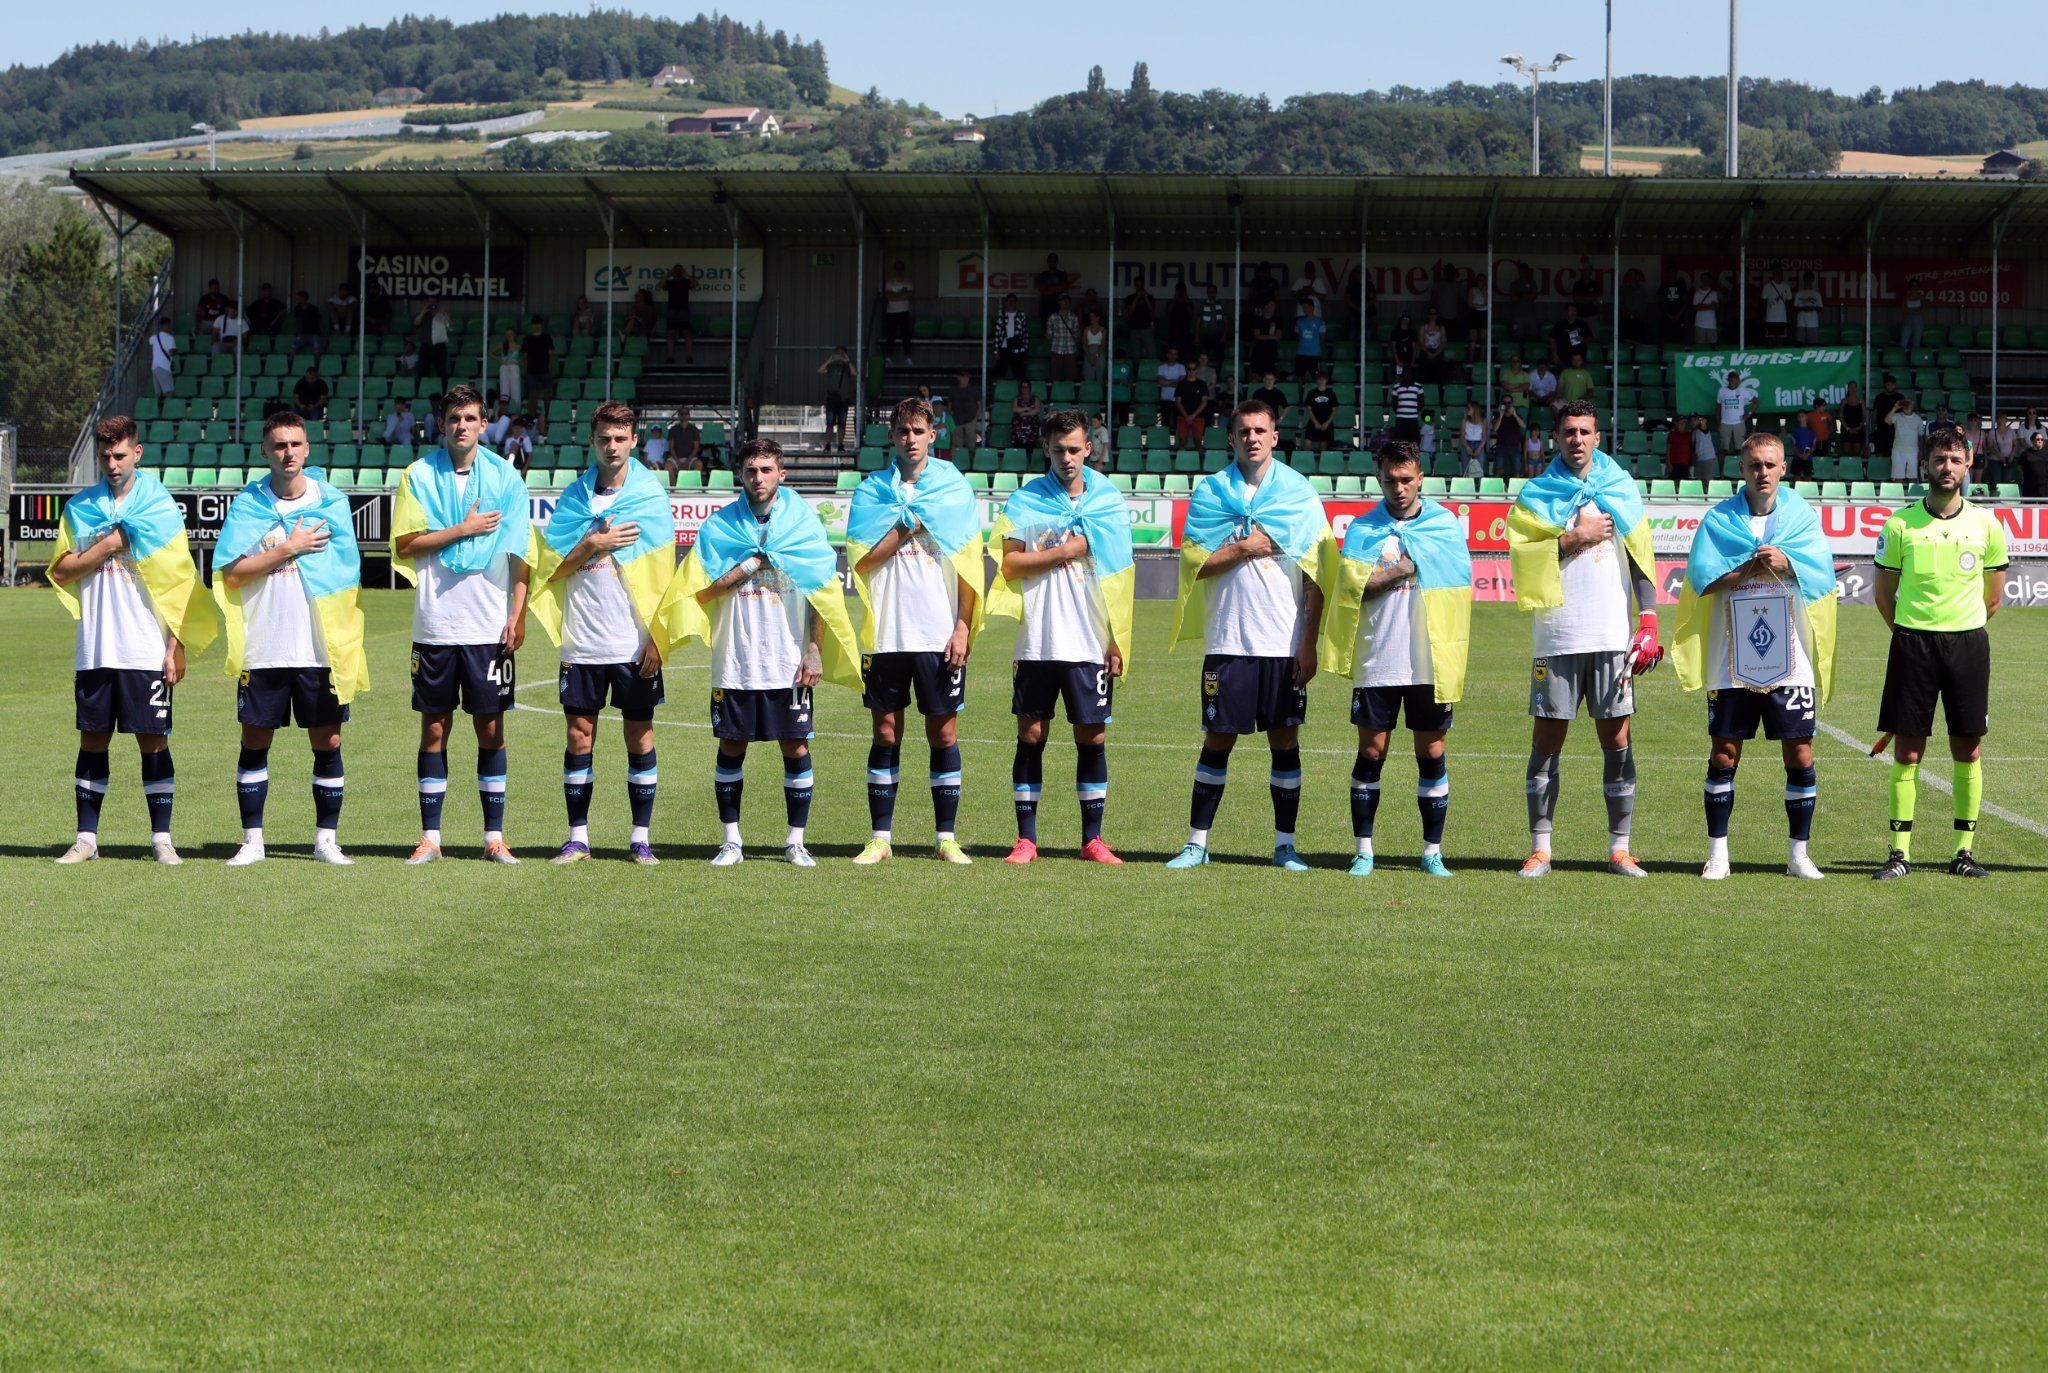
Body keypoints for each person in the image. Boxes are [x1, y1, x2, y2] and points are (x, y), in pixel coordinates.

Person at [661, 437, 862, 867]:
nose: (759, 478)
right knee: (732, 746)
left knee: (796, 746)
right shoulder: (719, 528)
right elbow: (701, 592)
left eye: (766, 470)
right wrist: (749, 566)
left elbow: (821, 593)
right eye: (751, 470)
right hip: (736, 661)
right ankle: (731, 841)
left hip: (787, 661)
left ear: (782, 474)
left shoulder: (802, 525)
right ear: (741, 475)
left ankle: (795, 841)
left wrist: (813, 649)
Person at [1164, 399, 1337, 871]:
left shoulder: (1299, 494)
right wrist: (1245, 546)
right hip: (1229, 642)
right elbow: (1194, 566)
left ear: (1275, 437)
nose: (1253, 438)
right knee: (1217, 739)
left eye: (1261, 430)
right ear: (1232, 438)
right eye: (1244, 432)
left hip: (1283, 643)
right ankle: (1197, 843)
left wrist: (1309, 642)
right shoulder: (1211, 492)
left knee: (1285, 742)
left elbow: (1318, 574)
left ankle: (1285, 844)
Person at [46, 415, 218, 865]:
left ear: (137, 453)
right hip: (97, 647)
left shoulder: (160, 508)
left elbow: (182, 582)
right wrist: (106, 545)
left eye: (120, 454)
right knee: (92, 739)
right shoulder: (81, 508)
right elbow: (60, 570)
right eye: (104, 455)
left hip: (145, 648)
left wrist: (176, 645)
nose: (112, 463)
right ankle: (87, 839)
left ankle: (161, 838)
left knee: (154, 740)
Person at [1507, 400, 1664, 879]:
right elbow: (1521, 560)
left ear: (1599, 438)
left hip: (1611, 634)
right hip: (1557, 634)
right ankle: (1541, 848)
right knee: (1547, 739)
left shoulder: (1620, 490)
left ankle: (1620, 848)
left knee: (1617, 738)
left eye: (1585, 431)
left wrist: (1651, 619)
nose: (1577, 439)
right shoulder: (1537, 494)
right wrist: (1574, 537)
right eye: (1569, 431)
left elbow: (1640, 558)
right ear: (1557, 438)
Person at [1672, 433, 1838, 881]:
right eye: (1754, 464)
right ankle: (1718, 854)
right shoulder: (1719, 520)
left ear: (1784, 468)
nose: (1762, 472)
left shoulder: (1801, 518)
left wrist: (1789, 566)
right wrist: (1747, 568)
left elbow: (1824, 576)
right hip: (1733, 657)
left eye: (1770, 464)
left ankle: (1799, 855)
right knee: (1725, 753)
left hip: (1791, 656)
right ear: (1740, 468)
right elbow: (1702, 580)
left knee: (1800, 752)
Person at [212, 410, 369, 867]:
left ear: (307, 448)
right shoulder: (249, 505)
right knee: (255, 739)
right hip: (265, 644)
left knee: (329, 741)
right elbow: (232, 573)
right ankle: (253, 841)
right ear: (264, 451)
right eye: (278, 445)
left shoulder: (332, 502)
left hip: (320, 647)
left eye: (295, 444)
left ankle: (325, 841)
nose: (288, 453)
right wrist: (287, 549)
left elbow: (348, 571)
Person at [390, 383, 535, 866]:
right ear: (442, 424)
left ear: (483, 423)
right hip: (434, 626)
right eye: (454, 418)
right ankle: (430, 837)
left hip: (488, 626)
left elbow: (521, 553)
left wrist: (517, 613)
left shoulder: (505, 478)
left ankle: (494, 837)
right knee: (434, 729)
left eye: (471, 418)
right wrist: (463, 529)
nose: (461, 426)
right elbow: (406, 543)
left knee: (490, 729)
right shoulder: (418, 475)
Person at [527, 402, 678, 866]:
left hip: (633, 640)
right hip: (584, 639)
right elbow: (550, 571)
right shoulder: (573, 499)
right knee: (578, 735)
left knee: (641, 736)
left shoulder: (651, 497)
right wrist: (591, 544)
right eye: (603, 438)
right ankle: (577, 838)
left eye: (620, 438)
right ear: (591, 442)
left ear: (634, 440)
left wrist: (657, 636)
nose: (611, 447)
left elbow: (666, 573)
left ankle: (640, 838)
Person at [984, 409, 1134, 865]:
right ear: (1045, 450)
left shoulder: (1108, 504)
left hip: (1090, 640)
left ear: (1090, 448)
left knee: (1092, 738)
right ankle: (1026, 839)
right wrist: (1066, 550)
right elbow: (1009, 565)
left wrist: (1115, 639)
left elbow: (1120, 576)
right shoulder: (1026, 502)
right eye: (1058, 450)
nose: (1067, 458)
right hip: (1038, 639)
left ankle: (1093, 839)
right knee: (1031, 735)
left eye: (1074, 449)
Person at [1317, 440, 1472, 878]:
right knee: (1371, 750)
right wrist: (1401, 570)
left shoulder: (1443, 526)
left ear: (1420, 477)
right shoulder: (1364, 529)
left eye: (1407, 480)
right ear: (1379, 479)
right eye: (1390, 480)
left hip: (1429, 658)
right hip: (1378, 656)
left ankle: (1431, 851)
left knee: (1433, 750)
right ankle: (1364, 851)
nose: (1399, 488)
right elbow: (1353, 589)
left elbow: (1460, 584)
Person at [845, 397, 985, 865]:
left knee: (943, 733)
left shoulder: (953, 490)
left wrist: (963, 626)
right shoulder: (871, 493)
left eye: (918, 431)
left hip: (937, 632)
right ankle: (880, 838)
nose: (910, 439)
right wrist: (907, 526)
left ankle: (946, 837)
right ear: (892, 437)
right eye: (903, 431)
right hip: (885, 634)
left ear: (933, 435)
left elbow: (970, 567)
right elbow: (860, 562)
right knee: (885, 732)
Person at [1872, 429, 2006, 880]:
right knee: (1908, 752)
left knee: (1968, 750)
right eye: (1938, 459)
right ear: (1924, 464)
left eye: (1954, 459)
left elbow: (1992, 599)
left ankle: (1963, 852)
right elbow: (1884, 595)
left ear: (1968, 465)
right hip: (1913, 643)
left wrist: (1956, 628)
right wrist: (1913, 632)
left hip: (1967, 644)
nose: (1946, 467)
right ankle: (1899, 854)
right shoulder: (1899, 525)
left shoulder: (1986, 525)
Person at [819, 345, 855, 451]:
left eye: (842, 354)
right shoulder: (831, 366)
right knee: (830, 423)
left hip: (843, 399)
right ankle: (828, 445)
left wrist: (847, 361)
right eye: (838, 354)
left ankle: (840, 445)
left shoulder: (848, 367)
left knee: (842, 424)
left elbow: (854, 373)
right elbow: (820, 370)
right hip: (831, 398)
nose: (840, 356)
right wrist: (831, 359)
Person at [1889, 396, 1928, 482]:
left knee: (1913, 478)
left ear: (1913, 405)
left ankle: (1911, 495)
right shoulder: (1897, 416)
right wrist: (1895, 408)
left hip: (1913, 451)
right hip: (1898, 450)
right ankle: (1898, 496)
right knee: (1898, 479)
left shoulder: (1918, 419)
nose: (1907, 406)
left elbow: (1921, 436)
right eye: (1905, 403)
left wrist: (1921, 451)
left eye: (1909, 403)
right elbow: (1887, 421)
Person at [663, 262, 695, 364]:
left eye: (679, 270)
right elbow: (660, 285)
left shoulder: (686, 281)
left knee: (687, 333)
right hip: (672, 310)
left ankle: (689, 356)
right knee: (671, 333)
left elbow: (695, 284)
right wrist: (668, 275)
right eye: (676, 270)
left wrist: (686, 274)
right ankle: (670, 357)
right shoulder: (670, 282)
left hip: (683, 310)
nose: (678, 272)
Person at [883, 260, 914, 365]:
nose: (899, 271)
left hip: (904, 312)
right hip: (891, 312)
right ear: (895, 270)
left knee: (906, 336)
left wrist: (895, 295)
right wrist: (902, 294)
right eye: (897, 268)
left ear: (903, 270)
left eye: (901, 268)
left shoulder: (908, 282)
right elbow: (888, 297)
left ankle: (908, 358)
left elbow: (909, 295)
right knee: (890, 336)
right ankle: (888, 358)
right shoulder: (889, 283)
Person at [1714, 370, 1751, 457]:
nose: (1732, 381)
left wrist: (1748, 414)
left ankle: (1739, 469)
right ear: (1728, 380)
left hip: (1739, 423)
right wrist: (1718, 422)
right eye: (1731, 379)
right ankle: (1722, 470)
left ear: (1738, 380)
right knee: (1723, 449)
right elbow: (1718, 406)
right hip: (1725, 423)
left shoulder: (1743, 391)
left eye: (1735, 379)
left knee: (1740, 449)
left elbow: (1756, 401)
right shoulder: (1721, 391)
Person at [992, 294, 1029, 381]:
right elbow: (997, 334)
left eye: (1013, 301)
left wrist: (1025, 348)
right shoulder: (1001, 316)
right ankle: (998, 391)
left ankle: (1020, 393)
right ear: (1006, 303)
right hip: (1004, 347)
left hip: (1017, 348)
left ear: (1016, 302)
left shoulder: (1021, 315)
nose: (1011, 303)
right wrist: (996, 350)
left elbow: (1025, 333)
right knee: (999, 373)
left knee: (1019, 374)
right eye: (1009, 301)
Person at [1175, 364, 1211, 451]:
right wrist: (1186, 416)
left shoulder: (1202, 384)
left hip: (1198, 417)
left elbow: (1204, 402)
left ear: (1196, 370)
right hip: (1183, 417)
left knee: (1198, 441)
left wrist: (1193, 415)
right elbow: (1178, 401)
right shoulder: (1181, 384)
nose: (1191, 371)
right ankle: (1180, 463)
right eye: (1189, 369)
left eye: (1193, 369)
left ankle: (1200, 463)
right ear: (1186, 370)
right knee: (1182, 441)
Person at [520, 315, 555, 406]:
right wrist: (527, 366)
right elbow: (525, 354)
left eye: (538, 324)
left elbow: (551, 353)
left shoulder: (547, 337)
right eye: (534, 324)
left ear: (541, 325)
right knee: (532, 393)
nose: (536, 326)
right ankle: (533, 413)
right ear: (532, 325)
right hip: (531, 369)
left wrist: (549, 366)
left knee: (547, 392)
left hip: (544, 368)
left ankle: (547, 411)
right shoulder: (527, 338)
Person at [414, 298, 451, 382]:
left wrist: (443, 312)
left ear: (438, 303)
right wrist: (423, 311)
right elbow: (416, 323)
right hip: (426, 346)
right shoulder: (424, 316)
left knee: (441, 371)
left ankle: (443, 391)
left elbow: (451, 325)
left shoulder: (442, 315)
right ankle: (423, 390)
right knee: (423, 370)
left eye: (434, 302)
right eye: (430, 302)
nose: (432, 304)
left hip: (439, 347)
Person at [1303, 371, 1341, 454]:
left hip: (1326, 422)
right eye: (1319, 380)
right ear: (1316, 381)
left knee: (1324, 448)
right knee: (1307, 445)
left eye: (1322, 380)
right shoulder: (1312, 393)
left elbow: (1334, 410)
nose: (1321, 382)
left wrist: (1327, 423)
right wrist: (1315, 422)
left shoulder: (1331, 393)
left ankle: (1321, 466)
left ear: (1326, 380)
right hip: (1313, 422)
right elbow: (1309, 409)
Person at [1046, 295, 1081, 382]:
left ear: (1070, 303)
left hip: (1070, 350)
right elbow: (1048, 335)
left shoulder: (1074, 317)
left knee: (1070, 376)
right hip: (1056, 350)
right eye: (1062, 300)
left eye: (1067, 301)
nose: (1064, 302)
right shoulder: (1052, 317)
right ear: (1059, 302)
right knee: (1055, 376)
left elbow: (1077, 334)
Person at [1034, 253, 1077, 323]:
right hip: (1045, 307)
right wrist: (1056, 288)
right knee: (1045, 329)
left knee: (1059, 328)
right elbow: (1042, 290)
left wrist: (1048, 287)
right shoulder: (1042, 275)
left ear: (1057, 262)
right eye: (1051, 261)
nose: (1052, 262)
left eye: (1054, 261)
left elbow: (1063, 288)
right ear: (1047, 262)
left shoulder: (1062, 274)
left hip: (1059, 307)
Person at [1491, 399, 1527, 479]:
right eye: (1505, 403)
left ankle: (1515, 489)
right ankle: (1497, 488)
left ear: (1512, 404)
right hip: (1501, 446)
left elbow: (1524, 426)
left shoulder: (1517, 415)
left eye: (1509, 403)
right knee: (1498, 469)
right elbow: (1495, 429)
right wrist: (1501, 415)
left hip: (1515, 446)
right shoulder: (1497, 415)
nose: (1507, 405)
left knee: (1517, 470)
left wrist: (1514, 414)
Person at [1295, 297, 1329, 381]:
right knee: (1300, 376)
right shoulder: (1299, 321)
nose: (1304, 309)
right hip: (1301, 353)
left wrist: (1313, 345)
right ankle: (1300, 393)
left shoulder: (1320, 322)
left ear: (1312, 308)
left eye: (1306, 307)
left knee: (1315, 376)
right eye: (1303, 307)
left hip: (1314, 354)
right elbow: (1298, 334)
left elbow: (1322, 337)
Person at [951, 369, 984, 451]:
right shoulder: (953, 390)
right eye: (963, 377)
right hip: (956, 420)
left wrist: (976, 418)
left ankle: (972, 461)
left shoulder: (974, 389)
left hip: (971, 419)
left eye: (966, 377)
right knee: (958, 444)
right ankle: (960, 461)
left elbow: (980, 404)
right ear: (958, 378)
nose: (965, 379)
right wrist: (950, 417)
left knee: (971, 443)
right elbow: (949, 404)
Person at [1123, 281, 1157, 362]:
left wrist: (1145, 297)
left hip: (1147, 327)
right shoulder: (1130, 298)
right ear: (1135, 286)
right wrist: (1136, 298)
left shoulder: (1149, 297)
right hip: (1134, 328)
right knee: (1135, 352)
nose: (1139, 288)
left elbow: (1152, 311)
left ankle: (1153, 370)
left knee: (1151, 351)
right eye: (1138, 286)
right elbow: (1129, 312)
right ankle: (1136, 371)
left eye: (1141, 286)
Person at [665, 407, 702, 481]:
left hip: (691, 459)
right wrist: (678, 462)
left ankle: (693, 486)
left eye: (686, 413)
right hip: (676, 458)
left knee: (699, 464)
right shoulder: (673, 429)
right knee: (667, 465)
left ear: (689, 415)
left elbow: (696, 448)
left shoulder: (694, 429)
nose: (684, 415)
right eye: (682, 414)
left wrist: (687, 461)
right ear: (678, 415)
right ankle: (674, 488)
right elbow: (671, 448)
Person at [1761, 269, 1793, 343]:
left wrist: (1788, 315)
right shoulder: (1767, 286)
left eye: (1780, 273)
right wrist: (1763, 315)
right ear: (1773, 274)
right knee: (1770, 340)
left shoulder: (1786, 286)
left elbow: (1789, 302)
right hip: (1770, 319)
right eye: (1776, 273)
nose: (1778, 275)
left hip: (1782, 319)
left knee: (1781, 340)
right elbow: (1763, 302)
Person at [1010, 379, 1042, 450]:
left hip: (1032, 427)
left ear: (1029, 388)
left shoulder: (1035, 398)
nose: (1024, 389)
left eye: (1026, 387)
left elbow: (1037, 410)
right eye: (1023, 387)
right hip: (1019, 427)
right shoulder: (1017, 398)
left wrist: (1024, 413)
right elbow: (1015, 409)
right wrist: (1028, 408)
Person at [1793, 273, 1825, 344]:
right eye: (1807, 279)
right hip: (1801, 321)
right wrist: (1803, 308)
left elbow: (1820, 308)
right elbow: (1794, 308)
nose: (1808, 281)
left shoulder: (1816, 294)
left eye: (1810, 279)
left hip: (1813, 322)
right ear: (1804, 280)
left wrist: (1813, 308)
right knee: (1799, 342)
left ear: (1813, 280)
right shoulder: (1799, 293)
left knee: (1813, 344)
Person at [1457, 401, 1487, 477]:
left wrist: (1479, 448)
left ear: (1474, 409)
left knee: (1479, 468)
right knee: (1466, 468)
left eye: (1469, 408)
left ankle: (1479, 486)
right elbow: (1462, 436)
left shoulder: (1483, 421)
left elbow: (1484, 437)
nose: (1467, 410)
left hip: (1479, 444)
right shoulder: (1464, 421)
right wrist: (1467, 447)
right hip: (1467, 443)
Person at [148, 318, 177, 397]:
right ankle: (168, 409)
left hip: (154, 367)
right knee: (170, 392)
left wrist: (140, 332)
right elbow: (171, 353)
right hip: (164, 367)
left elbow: (147, 339)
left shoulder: (155, 337)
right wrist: (176, 350)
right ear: (166, 325)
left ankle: (157, 409)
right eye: (169, 325)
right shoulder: (170, 338)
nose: (170, 327)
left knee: (158, 394)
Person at [496, 327, 523, 410]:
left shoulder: (519, 346)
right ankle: (504, 410)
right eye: (507, 334)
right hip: (504, 367)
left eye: (511, 334)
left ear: (514, 335)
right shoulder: (502, 345)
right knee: (504, 390)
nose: (509, 336)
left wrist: (518, 362)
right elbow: (490, 353)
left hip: (514, 367)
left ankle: (517, 410)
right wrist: (500, 360)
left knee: (516, 390)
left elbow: (526, 356)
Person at [1839, 382, 1868, 457]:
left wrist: (1858, 427)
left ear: (1857, 388)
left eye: (1854, 387)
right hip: (1846, 429)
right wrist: (1847, 428)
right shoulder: (1844, 401)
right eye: (1851, 387)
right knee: (1846, 451)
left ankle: (1856, 468)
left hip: (1858, 429)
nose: (1853, 389)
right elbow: (1841, 416)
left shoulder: (1861, 401)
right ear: (1848, 389)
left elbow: (1864, 416)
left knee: (1857, 452)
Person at [1692, 277, 1723, 344]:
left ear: (1710, 281)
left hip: (1711, 324)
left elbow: (1715, 307)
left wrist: (1701, 305)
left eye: (1707, 280)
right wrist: (1709, 306)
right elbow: (1695, 307)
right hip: (1699, 323)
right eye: (1704, 280)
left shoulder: (1714, 293)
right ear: (1701, 281)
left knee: (1713, 344)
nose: (1706, 282)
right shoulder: (1697, 293)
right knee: (1700, 344)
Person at [1081, 309, 1108, 383]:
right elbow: (1084, 344)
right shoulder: (1086, 329)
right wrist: (1089, 356)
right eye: (1090, 316)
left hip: (1100, 353)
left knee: (1100, 375)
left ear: (1097, 318)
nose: (1091, 318)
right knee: (1088, 376)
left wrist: (1096, 355)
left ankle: (1100, 392)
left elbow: (1103, 345)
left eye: (1092, 316)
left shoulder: (1103, 330)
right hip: (1089, 352)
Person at [2019, 430, 2048, 498]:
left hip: (2044, 486)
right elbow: (2019, 467)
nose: (2040, 441)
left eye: (2042, 439)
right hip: (2029, 485)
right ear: (2032, 441)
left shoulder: (2047, 452)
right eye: (2038, 439)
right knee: (2029, 507)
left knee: (2044, 507)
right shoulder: (2026, 453)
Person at [1692, 414, 1719, 482]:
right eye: (1691, 420)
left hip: (1708, 459)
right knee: (1699, 483)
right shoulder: (1693, 432)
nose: (1693, 422)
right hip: (1699, 459)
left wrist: (1703, 422)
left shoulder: (1703, 428)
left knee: (1708, 482)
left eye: (1695, 420)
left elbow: (1704, 426)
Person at [1666, 416, 1695, 480]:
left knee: (1684, 484)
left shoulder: (1689, 434)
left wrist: (1690, 464)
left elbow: (1691, 449)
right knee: (1674, 483)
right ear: (1677, 424)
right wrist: (1669, 463)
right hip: (1674, 463)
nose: (1683, 425)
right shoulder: (1672, 434)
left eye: (1684, 423)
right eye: (1681, 423)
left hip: (1685, 463)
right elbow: (1668, 450)